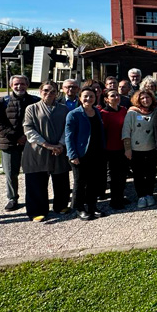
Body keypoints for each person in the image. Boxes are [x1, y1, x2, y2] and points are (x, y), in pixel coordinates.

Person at [21, 82, 71, 221]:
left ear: (57, 93)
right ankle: (37, 210)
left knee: (61, 179)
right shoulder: (32, 108)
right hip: (38, 150)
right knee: (36, 181)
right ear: (40, 91)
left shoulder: (63, 109)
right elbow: (28, 129)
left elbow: (68, 128)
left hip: (59, 149)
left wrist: (60, 144)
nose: (49, 93)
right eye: (46, 90)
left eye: (53, 91)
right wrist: (47, 145)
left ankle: (61, 205)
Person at [0, 74, 40, 212]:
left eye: (22, 84)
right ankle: (12, 198)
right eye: (16, 84)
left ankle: (33, 197)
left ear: (27, 85)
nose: (19, 87)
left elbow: (39, 121)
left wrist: (27, 136)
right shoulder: (1, 102)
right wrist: (16, 137)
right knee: (11, 173)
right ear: (11, 85)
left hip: (30, 142)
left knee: (32, 172)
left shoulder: (35, 101)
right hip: (9, 143)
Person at [65, 87, 107, 221]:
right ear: (80, 98)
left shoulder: (96, 112)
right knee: (80, 182)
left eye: (91, 96)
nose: (88, 99)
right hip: (80, 154)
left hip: (96, 152)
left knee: (93, 181)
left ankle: (92, 206)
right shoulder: (74, 114)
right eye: (86, 96)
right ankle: (79, 208)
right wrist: (72, 155)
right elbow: (69, 136)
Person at [122, 89, 157, 209]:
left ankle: (149, 194)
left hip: (151, 148)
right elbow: (126, 131)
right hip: (136, 149)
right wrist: (127, 149)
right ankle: (141, 196)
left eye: (147, 97)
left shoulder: (155, 112)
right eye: (142, 98)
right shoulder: (132, 113)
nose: (145, 100)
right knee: (138, 174)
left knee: (151, 173)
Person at [99, 88, 130, 210]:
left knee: (122, 175)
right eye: (112, 96)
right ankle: (114, 200)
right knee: (114, 176)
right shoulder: (103, 114)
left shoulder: (123, 110)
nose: (116, 97)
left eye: (117, 95)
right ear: (106, 99)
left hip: (123, 147)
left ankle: (120, 196)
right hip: (110, 149)